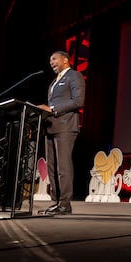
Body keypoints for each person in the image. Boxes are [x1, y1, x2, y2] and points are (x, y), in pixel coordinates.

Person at [37, 51, 86, 215]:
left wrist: (52, 109)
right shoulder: (53, 82)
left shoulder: (74, 76)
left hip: (65, 126)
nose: (51, 62)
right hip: (51, 126)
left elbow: (78, 101)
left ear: (65, 60)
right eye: (50, 60)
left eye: (54, 59)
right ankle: (57, 202)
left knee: (62, 166)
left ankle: (65, 204)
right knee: (52, 167)